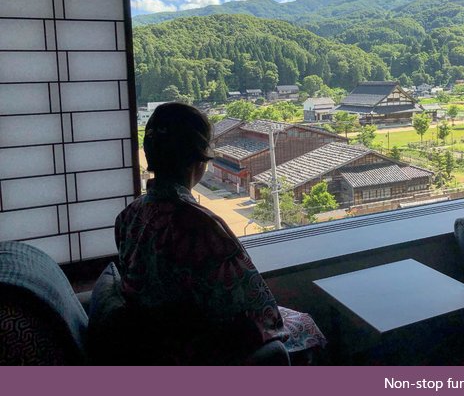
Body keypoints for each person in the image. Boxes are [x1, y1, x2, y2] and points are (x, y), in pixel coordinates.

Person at [115, 102, 326, 363]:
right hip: (202, 346)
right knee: (307, 325)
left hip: (156, 343)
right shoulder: (200, 225)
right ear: (199, 157)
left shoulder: (129, 215)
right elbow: (259, 307)